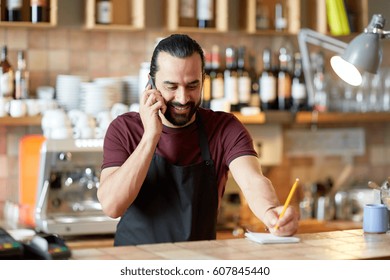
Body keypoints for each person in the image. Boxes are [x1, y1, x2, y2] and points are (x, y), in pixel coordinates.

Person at [98, 34, 299, 246]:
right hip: (135, 264)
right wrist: (150, 136)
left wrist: (271, 212)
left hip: (198, 263)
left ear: (203, 79)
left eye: (192, 85)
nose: (183, 98)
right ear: (151, 83)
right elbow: (112, 206)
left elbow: (252, 181)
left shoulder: (224, 128)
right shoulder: (124, 129)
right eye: (171, 87)